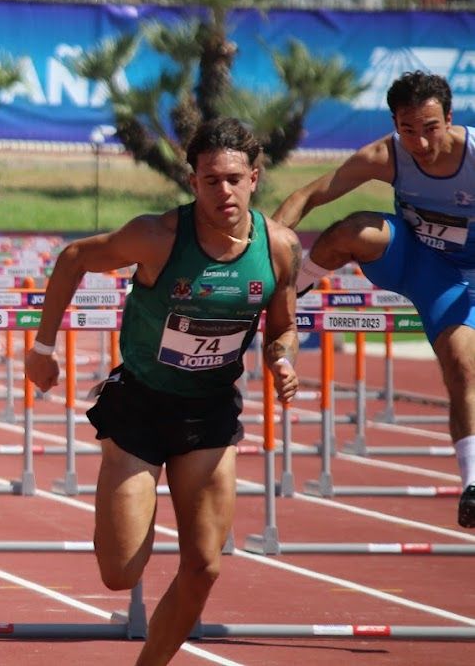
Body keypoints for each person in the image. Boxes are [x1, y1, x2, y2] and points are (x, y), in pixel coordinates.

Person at [27, 117, 300, 666]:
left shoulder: (279, 248)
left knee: (205, 565)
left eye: (233, 178)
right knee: (119, 572)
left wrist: (282, 359)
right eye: (209, 180)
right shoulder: (158, 236)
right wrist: (43, 347)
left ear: (254, 176)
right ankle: (123, 512)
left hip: (210, 412)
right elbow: (74, 258)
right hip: (142, 407)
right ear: (192, 181)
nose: (222, 191)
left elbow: (281, 325)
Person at [273, 70, 475, 527]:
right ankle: (291, 292)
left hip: (465, 278)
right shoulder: (386, 155)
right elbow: (309, 195)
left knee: (462, 366)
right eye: (408, 130)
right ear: (394, 124)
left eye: (430, 129)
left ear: (449, 117)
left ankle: (471, 486)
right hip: (416, 259)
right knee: (351, 229)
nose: (420, 143)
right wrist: (261, 250)